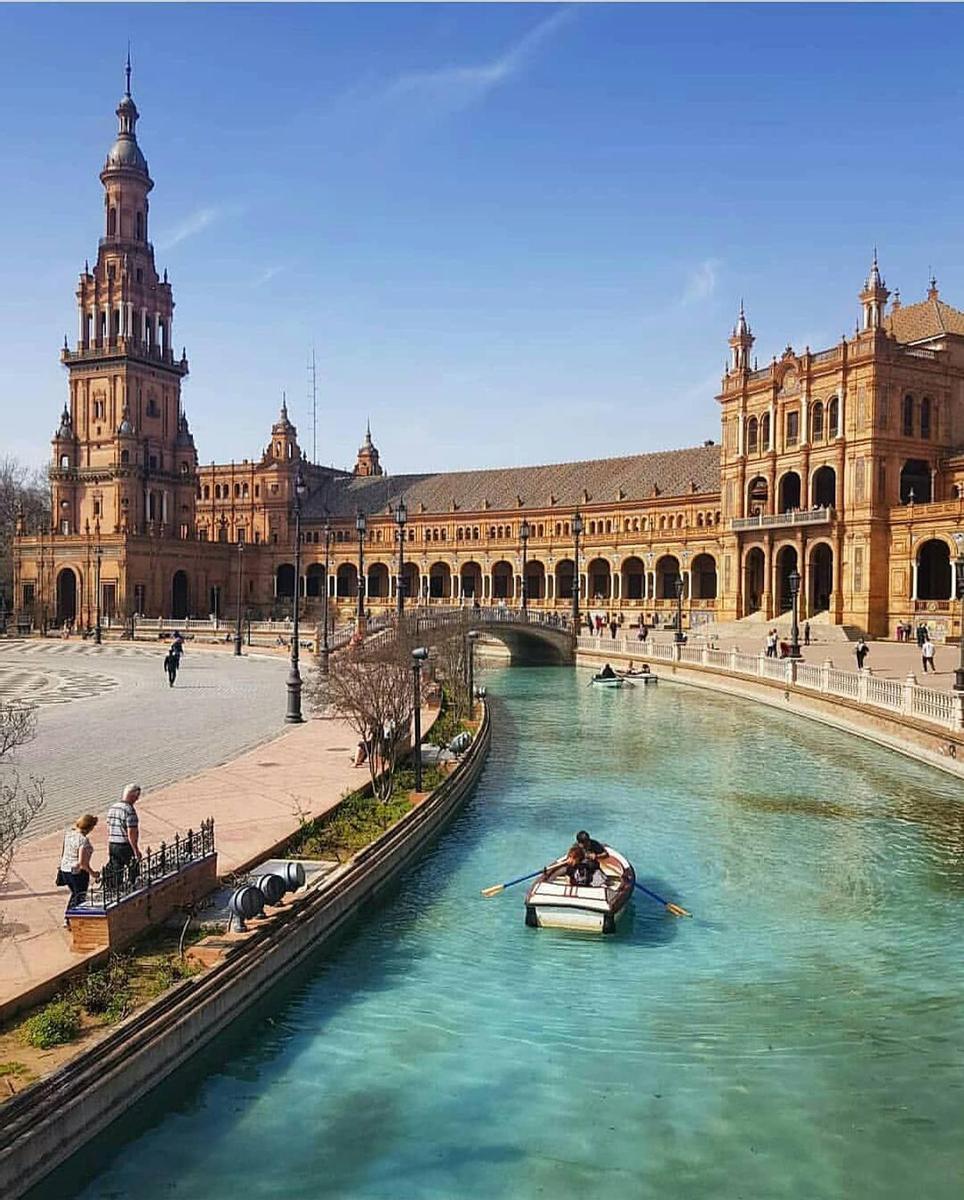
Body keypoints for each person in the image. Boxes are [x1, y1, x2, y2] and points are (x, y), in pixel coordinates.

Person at [58, 814, 100, 923]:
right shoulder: (83, 841)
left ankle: (68, 917)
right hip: (77, 873)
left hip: (65, 869)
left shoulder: (69, 835)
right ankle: (74, 919)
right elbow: (82, 863)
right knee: (80, 896)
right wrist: (93, 873)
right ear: (89, 828)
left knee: (74, 894)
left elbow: (64, 852)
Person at [106, 784, 143, 883]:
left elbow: (109, 827)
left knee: (117, 869)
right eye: (137, 796)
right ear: (132, 795)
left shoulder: (113, 807)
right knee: (133, 867)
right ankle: (133, 887)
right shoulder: (129, 810)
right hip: (124, 844)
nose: (137, 799)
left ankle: (116, 890)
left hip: (113, 844)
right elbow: (132, 832)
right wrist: (136, 850)